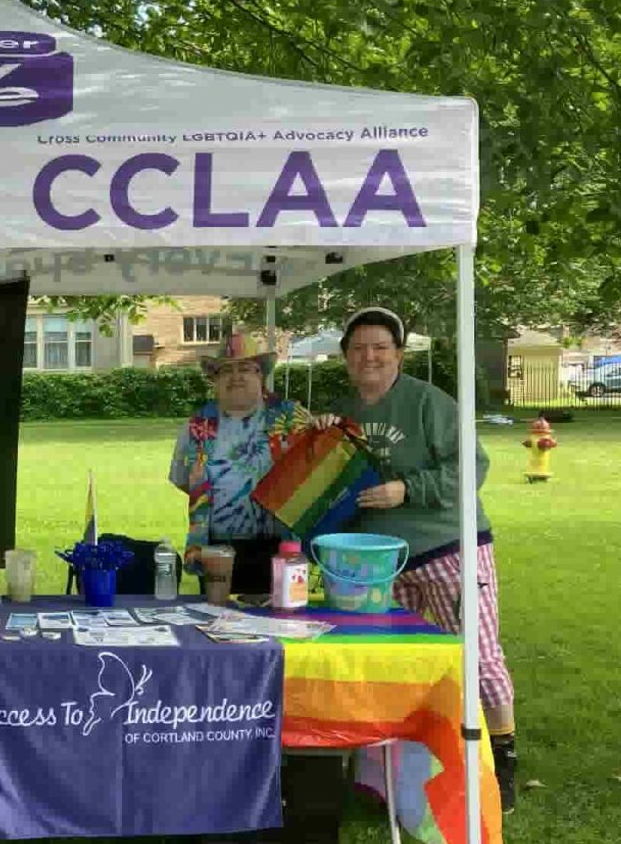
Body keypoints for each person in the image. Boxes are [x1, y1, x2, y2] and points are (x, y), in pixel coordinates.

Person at [319, 306, 518, 810]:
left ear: (399, 355)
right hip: (381, 562)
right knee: (394, 665)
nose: (370, 356)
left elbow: (474, 466)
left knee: (476, 655)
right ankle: (390, 775)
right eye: (359, 348)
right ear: (345, 357)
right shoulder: (343, 411)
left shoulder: (428, 402)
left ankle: (502, 764)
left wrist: (407, 489)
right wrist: (319, 435)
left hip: (450, 545)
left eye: (381, 347)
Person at [170, 332, 308, 594]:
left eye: (245, 368)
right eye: (226, 370)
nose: (236, 377)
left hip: (281, 548)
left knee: (280, 624)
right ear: (215, 379)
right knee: (217, 623)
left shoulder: (292, 417)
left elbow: (319, 474)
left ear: (260, 375)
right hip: (215, 550)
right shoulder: (197, 426)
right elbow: (183, 481)